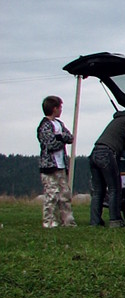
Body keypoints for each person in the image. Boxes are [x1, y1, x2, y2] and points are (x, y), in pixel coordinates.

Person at [37, 95, 76, 228]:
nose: (61, 110)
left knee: (64, 194)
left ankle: (68, 221)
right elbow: (50, 144)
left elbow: (70, 137)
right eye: (60, 107)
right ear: (54, 108)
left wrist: (59, 137)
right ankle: (49, 221)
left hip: (61, 165)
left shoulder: (59, 124)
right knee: (51, 194)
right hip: (49, 166)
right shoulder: (44, 126)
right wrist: (61, 140)